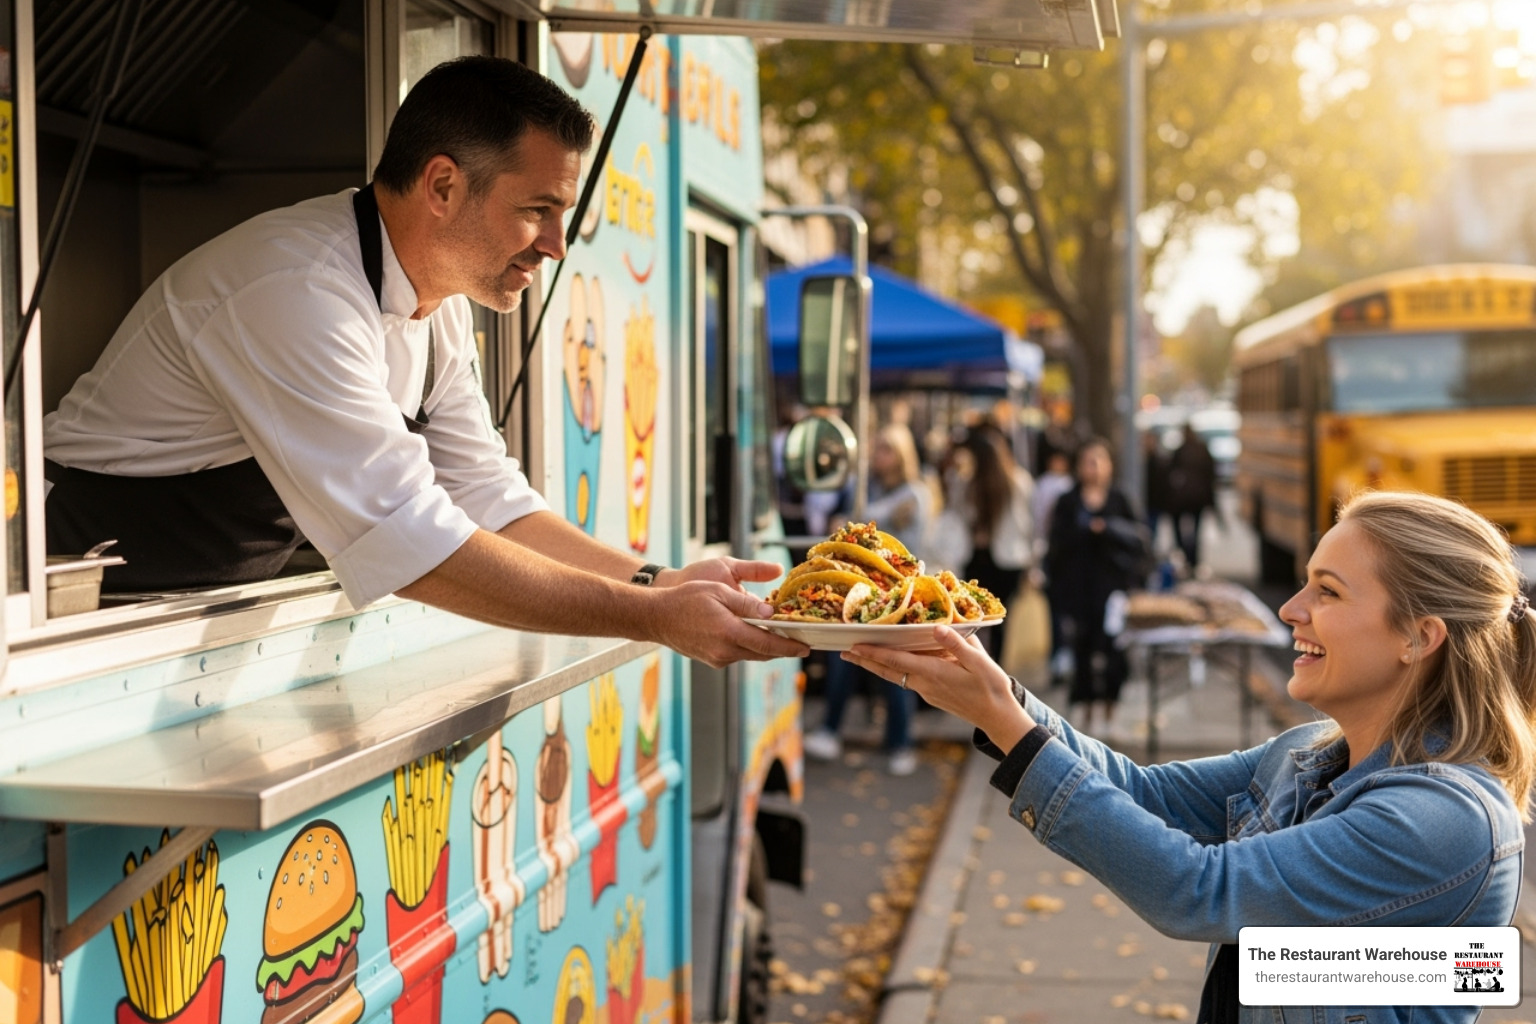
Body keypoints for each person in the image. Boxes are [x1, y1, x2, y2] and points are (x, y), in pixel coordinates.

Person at [40, 57, 807, 670]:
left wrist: (656, 581)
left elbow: (483, 492)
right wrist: (648, 619)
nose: (555, 244)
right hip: (84, 615)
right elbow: (411, 540)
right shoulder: (295, 291)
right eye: (538, 209)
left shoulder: (431, 297)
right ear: (442, 185)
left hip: (190, 620)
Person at [846, 490, 1534, 1024]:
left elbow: (1200, 889)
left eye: (1328, 591)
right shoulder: (1309, 755)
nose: (1291, 608)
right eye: (1304, 584)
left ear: (1420, 637)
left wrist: (1008, 723)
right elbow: (1144, 794)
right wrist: (999, 706)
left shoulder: (1450, 821)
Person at [804, 423, 934, 776]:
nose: (879, 456)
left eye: (886, 449)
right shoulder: (866, 488)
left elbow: (872, 525)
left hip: (899, 593)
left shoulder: (914, 493)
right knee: (845, 661)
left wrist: (857, 518)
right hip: (860, 590)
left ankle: (901, 742)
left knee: (895, 670)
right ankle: (831, 729)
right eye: (877, 449)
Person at [1043, 437, 1145, 736]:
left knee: (1115, 654)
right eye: (1089, 461)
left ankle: (1111, 710)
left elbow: (1138, 540)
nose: (1095, 467)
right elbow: (1056, 545)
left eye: (1101, 460)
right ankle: (1086, 715)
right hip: (1079, 592)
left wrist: (1106, 529)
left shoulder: (1120, 498)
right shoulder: (1068, 501)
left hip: (1113, 591)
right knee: (1082, 653)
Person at [955, 427, 1034, 666]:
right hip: (983, 557)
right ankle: (985, 665)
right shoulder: (968, 483)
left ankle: (989, 666)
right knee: (979, 617)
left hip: (1003, 558)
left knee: (993, 618)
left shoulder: (1016, 482)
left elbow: (1027, 525)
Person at [1168, 422, 1218, 574]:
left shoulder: (1180, 451)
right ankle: (1193, 559)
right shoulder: (1202, 450)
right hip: (1198, 498)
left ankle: (1186, 555)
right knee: (1196, 531)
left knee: (1182, 529)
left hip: (1182, 498)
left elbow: (1171, 474)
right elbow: (1212, 475)